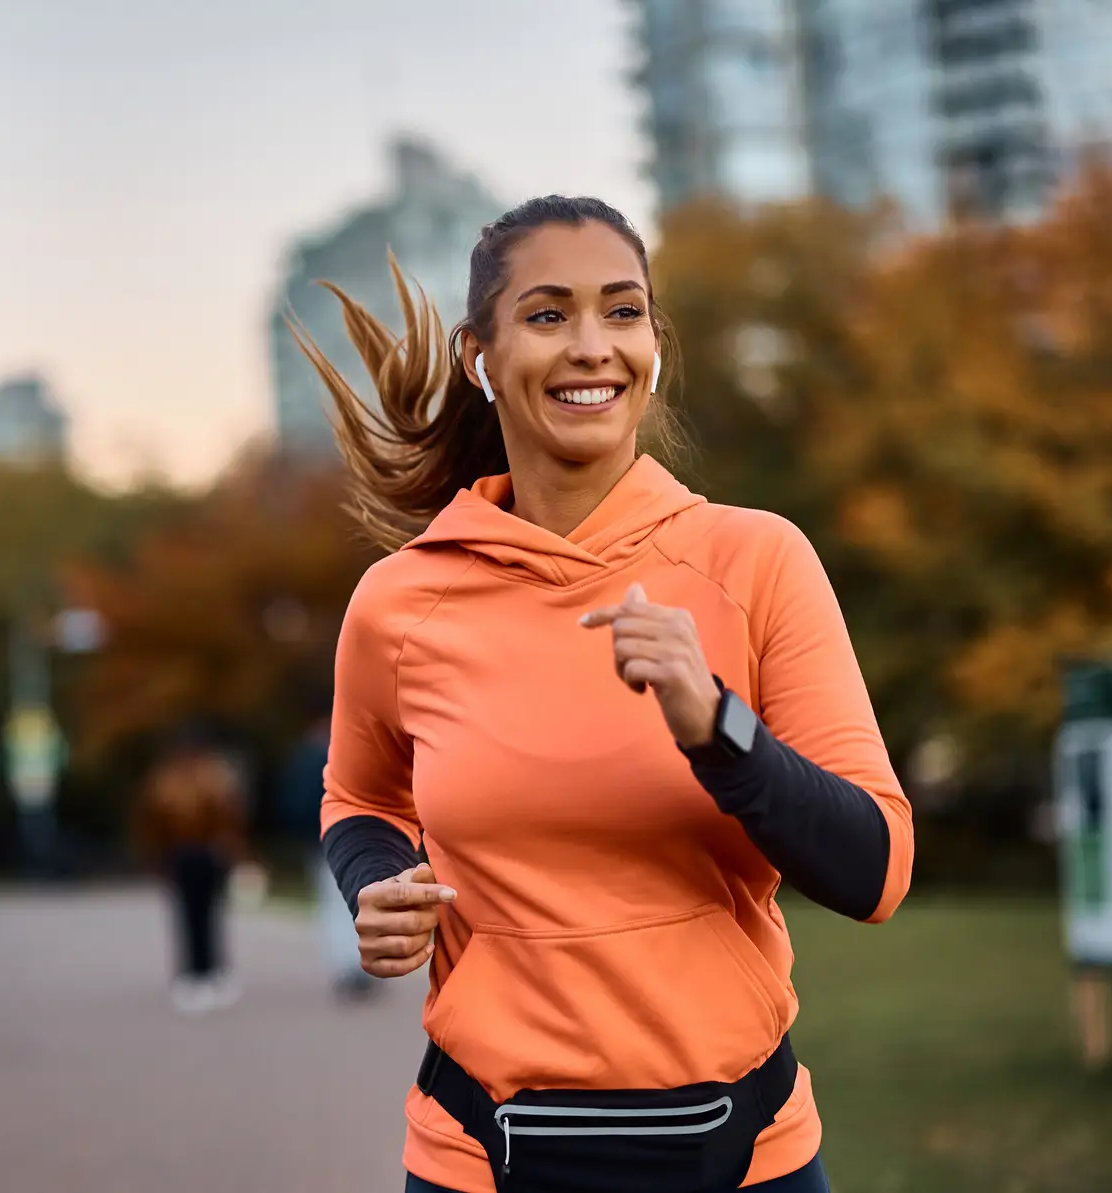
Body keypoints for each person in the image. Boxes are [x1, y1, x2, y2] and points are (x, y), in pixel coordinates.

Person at [299, 197, 915, 1192]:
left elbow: (875, 869)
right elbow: (360, 794)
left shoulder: (757, 560)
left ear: (653, 346)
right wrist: (376, 879)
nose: (592, 345)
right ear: (480, 357)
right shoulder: (399, 602)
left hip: (744, 1155)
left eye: (622, 312)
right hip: (481, 1155)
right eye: (548, 315)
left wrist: (718, 729)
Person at [132, 727, 248, 1016]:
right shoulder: (175, 780)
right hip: (183, 854)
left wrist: (230, 850)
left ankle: (210, 969)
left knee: (206, 914)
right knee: (190, 915)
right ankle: (195, 971)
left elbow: (229, 817)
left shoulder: (206, 778)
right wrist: (156, 857)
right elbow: (152, 821)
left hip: (205, 853)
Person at [279, 713, 374, 1000]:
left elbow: (294, 804)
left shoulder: (307, 759)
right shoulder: (341, 756)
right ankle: (355, 963)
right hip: (345, 836)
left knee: (336, 903)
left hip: (324, 839)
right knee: (349, 901)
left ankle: (347, 963)